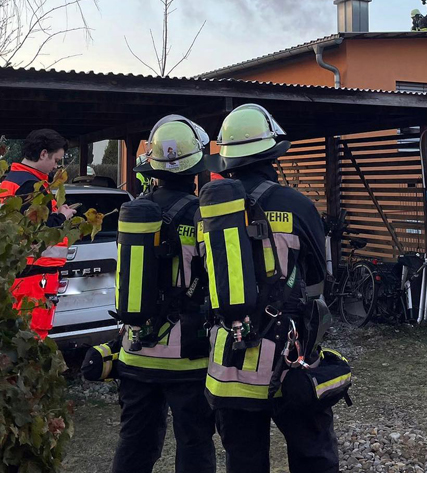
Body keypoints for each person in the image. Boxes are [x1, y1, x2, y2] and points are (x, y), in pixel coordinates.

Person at [202, 104, 335, 473]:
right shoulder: (297, 205)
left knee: (244, 465)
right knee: (314, 457)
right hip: (289, 358)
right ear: (272, 153)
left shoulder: (208, 214)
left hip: (229, 363)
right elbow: (321, 277)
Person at [112, 115, 216, 473]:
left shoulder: (135, 213)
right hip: (187, 357)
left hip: (135, 353)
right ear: (195, 166)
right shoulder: (203, 215)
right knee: (195, 443)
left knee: (134, 445)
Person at [1, 129, 78, 339]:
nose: (56, 166)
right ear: (43, 153)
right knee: (32, 338)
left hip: (20, 276)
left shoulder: (13, 180)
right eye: (56, 160)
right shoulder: (30, 186)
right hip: (33, 279)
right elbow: (40, 230)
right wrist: (62, 216)